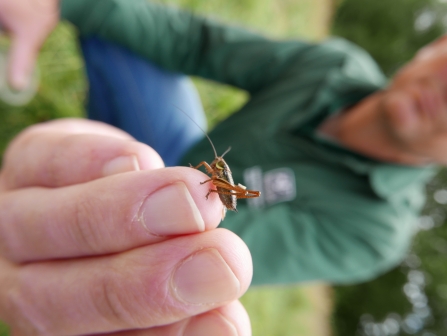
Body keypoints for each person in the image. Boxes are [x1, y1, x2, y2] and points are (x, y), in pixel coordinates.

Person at [1, 0, 446, 334]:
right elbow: (193, 41)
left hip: (186, 217)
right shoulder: (333, 67)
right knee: (124, 26)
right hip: (175, 150)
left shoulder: (377, 231)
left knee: (184, 227)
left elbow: (227, 247)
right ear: (434, 47)